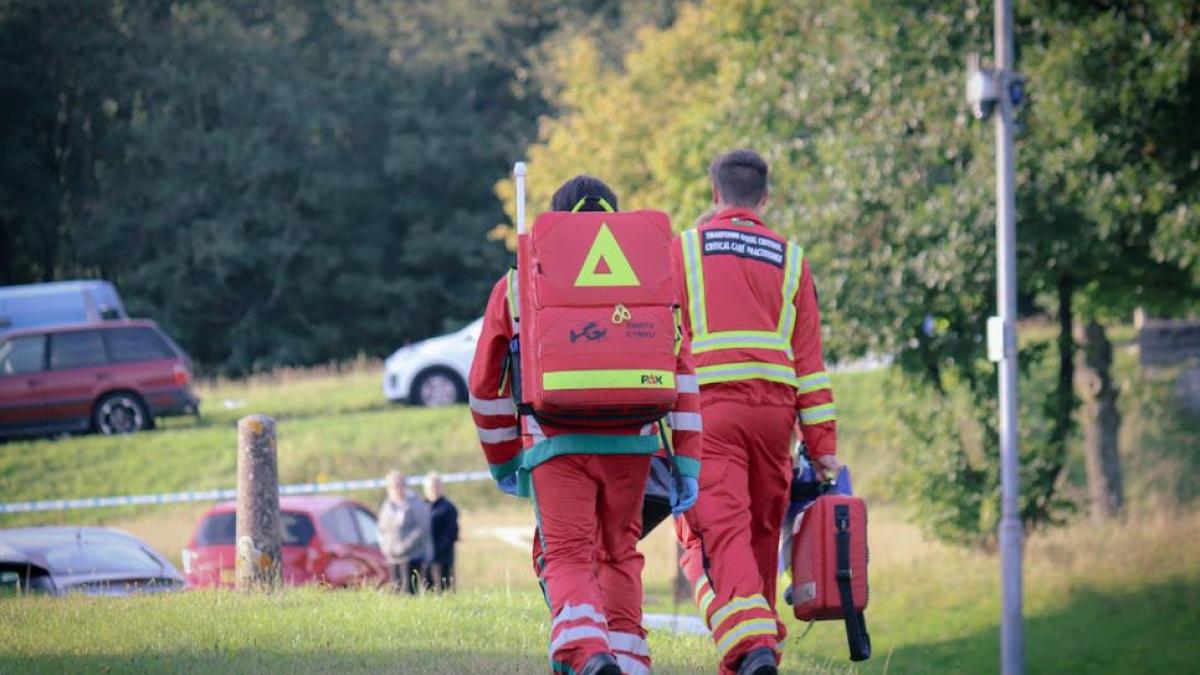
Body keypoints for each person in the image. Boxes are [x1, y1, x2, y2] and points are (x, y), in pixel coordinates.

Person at [468, 175, 702, 675]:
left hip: (555, 445)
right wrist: (685, 465)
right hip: (634, 444)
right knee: (620, 554)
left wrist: (505, 460)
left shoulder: (516, 284)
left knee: (570, 556)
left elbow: (485, 387)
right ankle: (629, 659)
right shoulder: (654, 284)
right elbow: (683, 379)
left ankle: (587, 654)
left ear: (554, 222)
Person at [672, 149, 840, 675]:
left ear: (714, 192)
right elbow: (810, 366)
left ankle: (751, 648)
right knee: (764, 530)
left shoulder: (683, 250)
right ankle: (755, 656)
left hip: (710, 410)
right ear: (765, 198)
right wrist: (825, 450)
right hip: (775, 418)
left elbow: (661, 340)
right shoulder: (792, 259)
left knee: (717, 530)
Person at [376, 470, 433, 594]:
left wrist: (404, 546)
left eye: (399, 485)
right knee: (396, 591)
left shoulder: (414, 504)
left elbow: (422, 528)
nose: (396, 489)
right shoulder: (387, 505)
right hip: (392, 557)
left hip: (411, 557)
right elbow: (381, 528)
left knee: (408, 592)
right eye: (392, 486)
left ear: (405, 486)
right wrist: (385, 546)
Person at [422, 471, 459, 592]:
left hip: (442, 557)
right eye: (430, 487)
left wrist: (437, 550)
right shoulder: (421, 506)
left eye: (436, 486)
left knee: (442, 589)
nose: (433, 490)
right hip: (424, 557)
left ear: (441, 487)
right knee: (426, 590)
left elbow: (451, 533)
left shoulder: (448, 508)